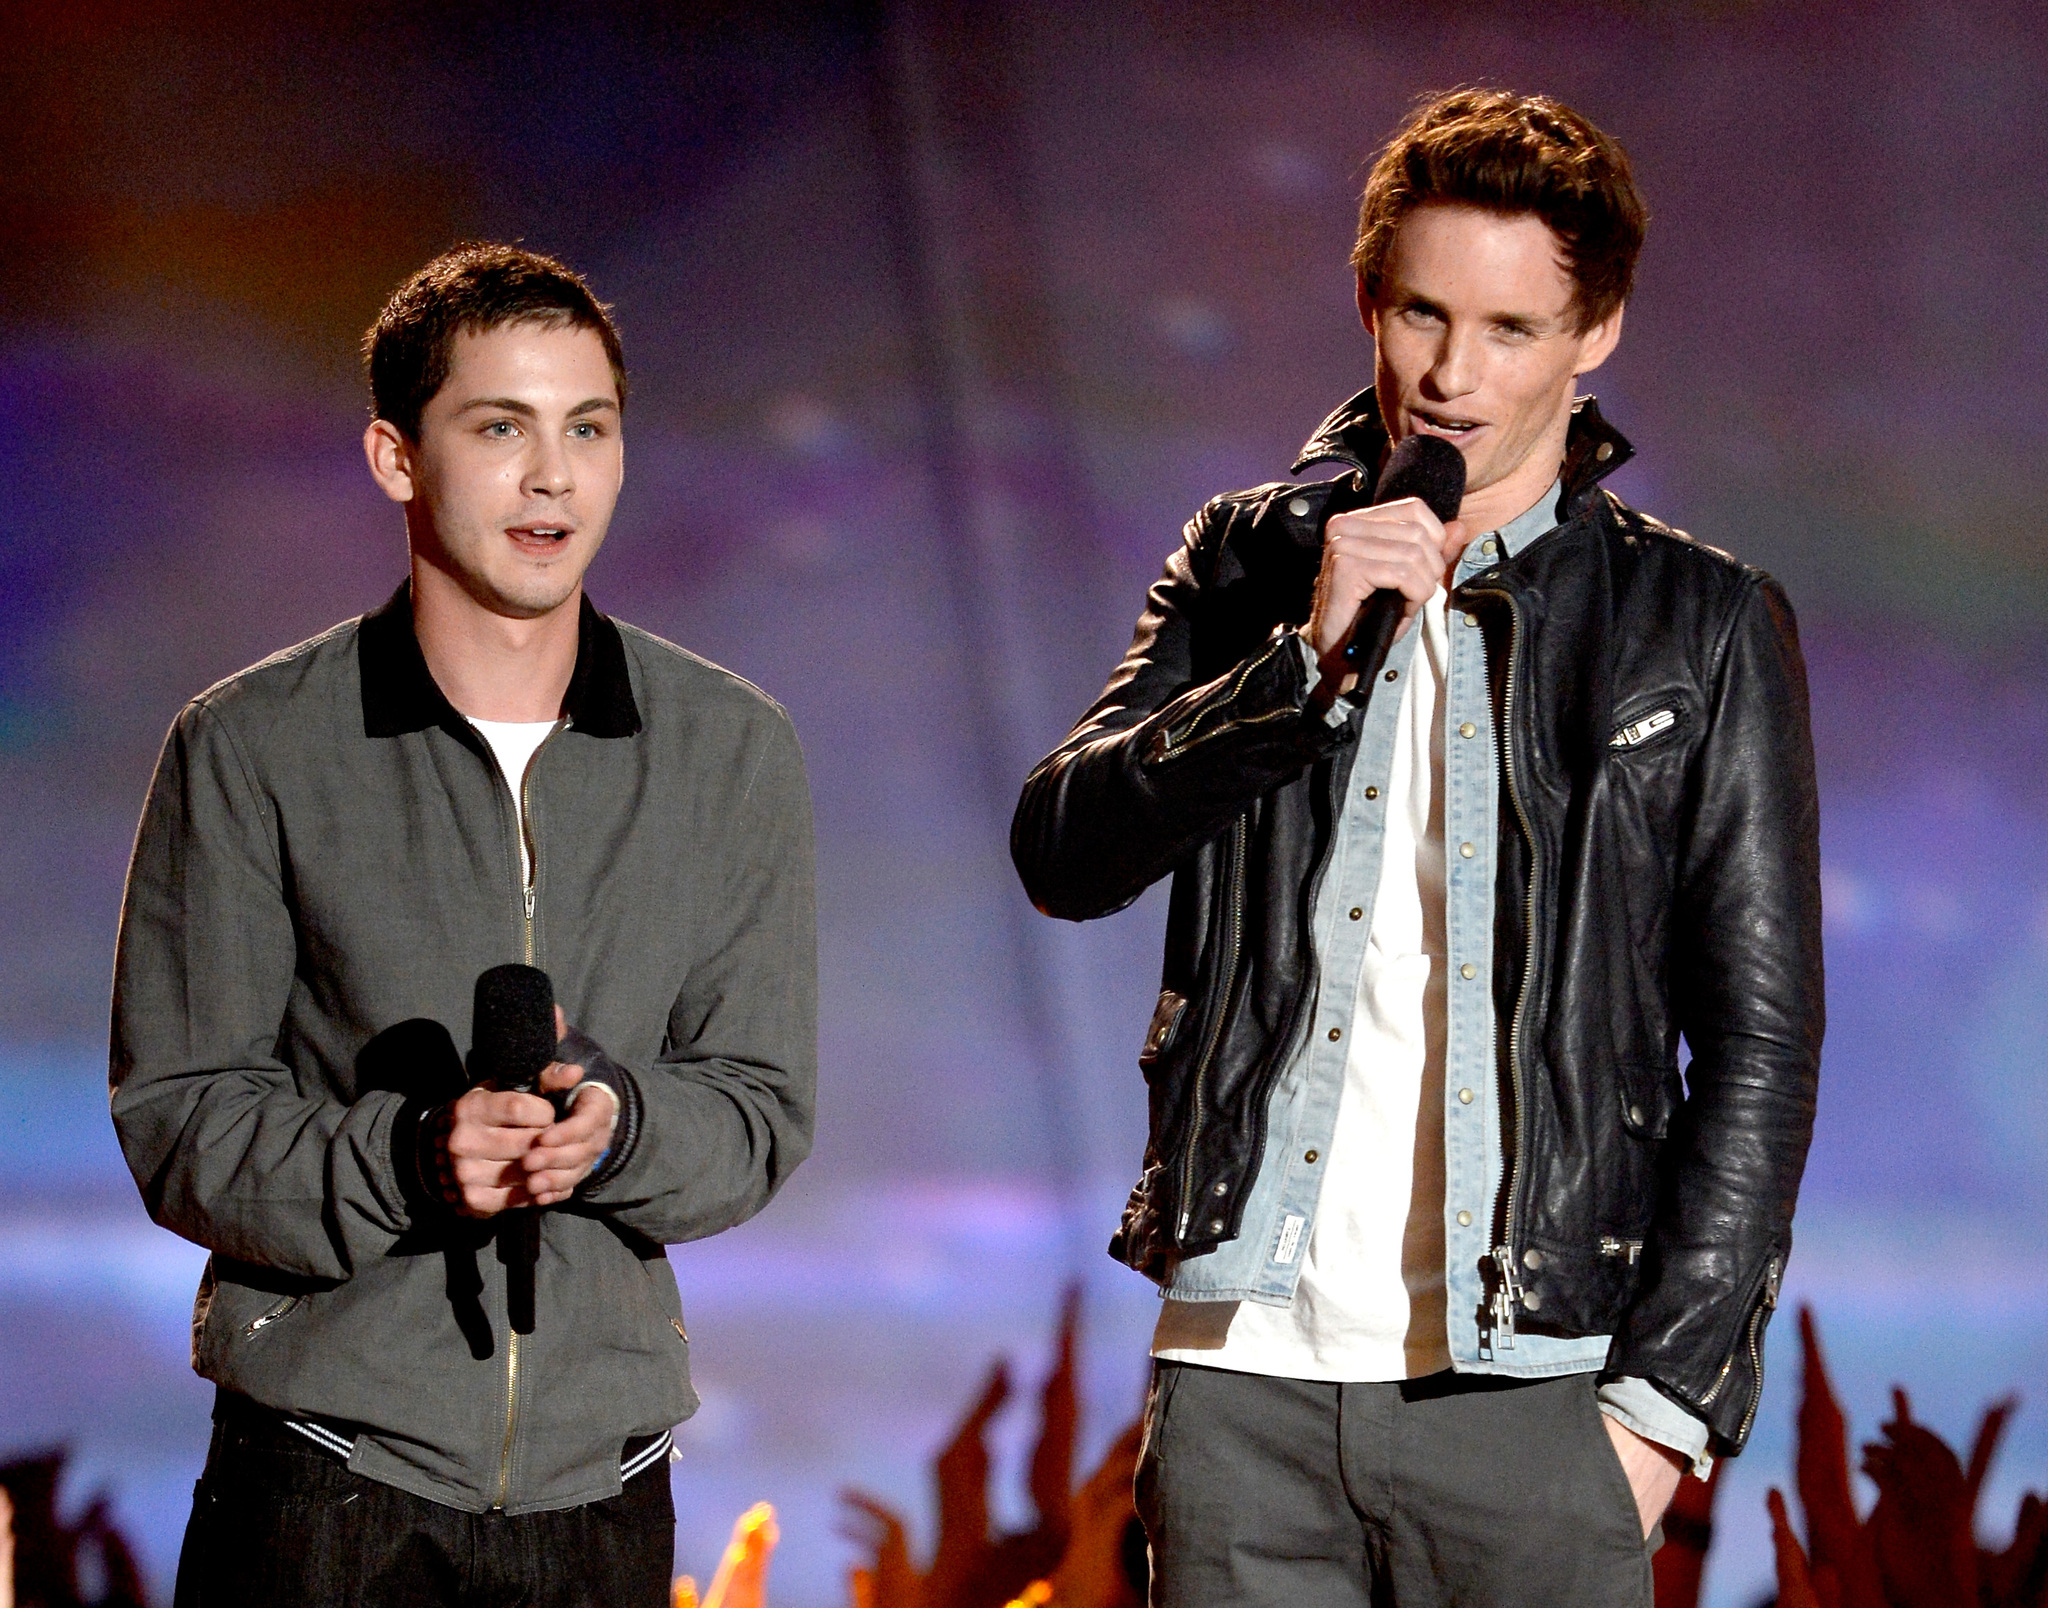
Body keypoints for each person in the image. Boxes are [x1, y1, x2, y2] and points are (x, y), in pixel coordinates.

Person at [1012, 88, 1822, 1606]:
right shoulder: (1249, 557)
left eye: (1511, 330)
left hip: (1533, 1391)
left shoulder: (1697, 624)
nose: (1453, 376)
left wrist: (1662, 1411)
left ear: (1598, 334)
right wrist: (1292, 667)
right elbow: (1066, 850)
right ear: (1367, 300)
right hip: (1246, 1377)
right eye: (1420, 316)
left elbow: (1762, 1043)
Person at [110, 244, 817, 1607]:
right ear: (396, 457)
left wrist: (621, 1122)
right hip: (320, 1482)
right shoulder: (252, 745)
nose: (553, 476)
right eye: (501, 427)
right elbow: (181, 1119)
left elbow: (759, 1112)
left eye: (588, 429)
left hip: (601, 1500)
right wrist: (412, 1160)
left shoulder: (733, 749)